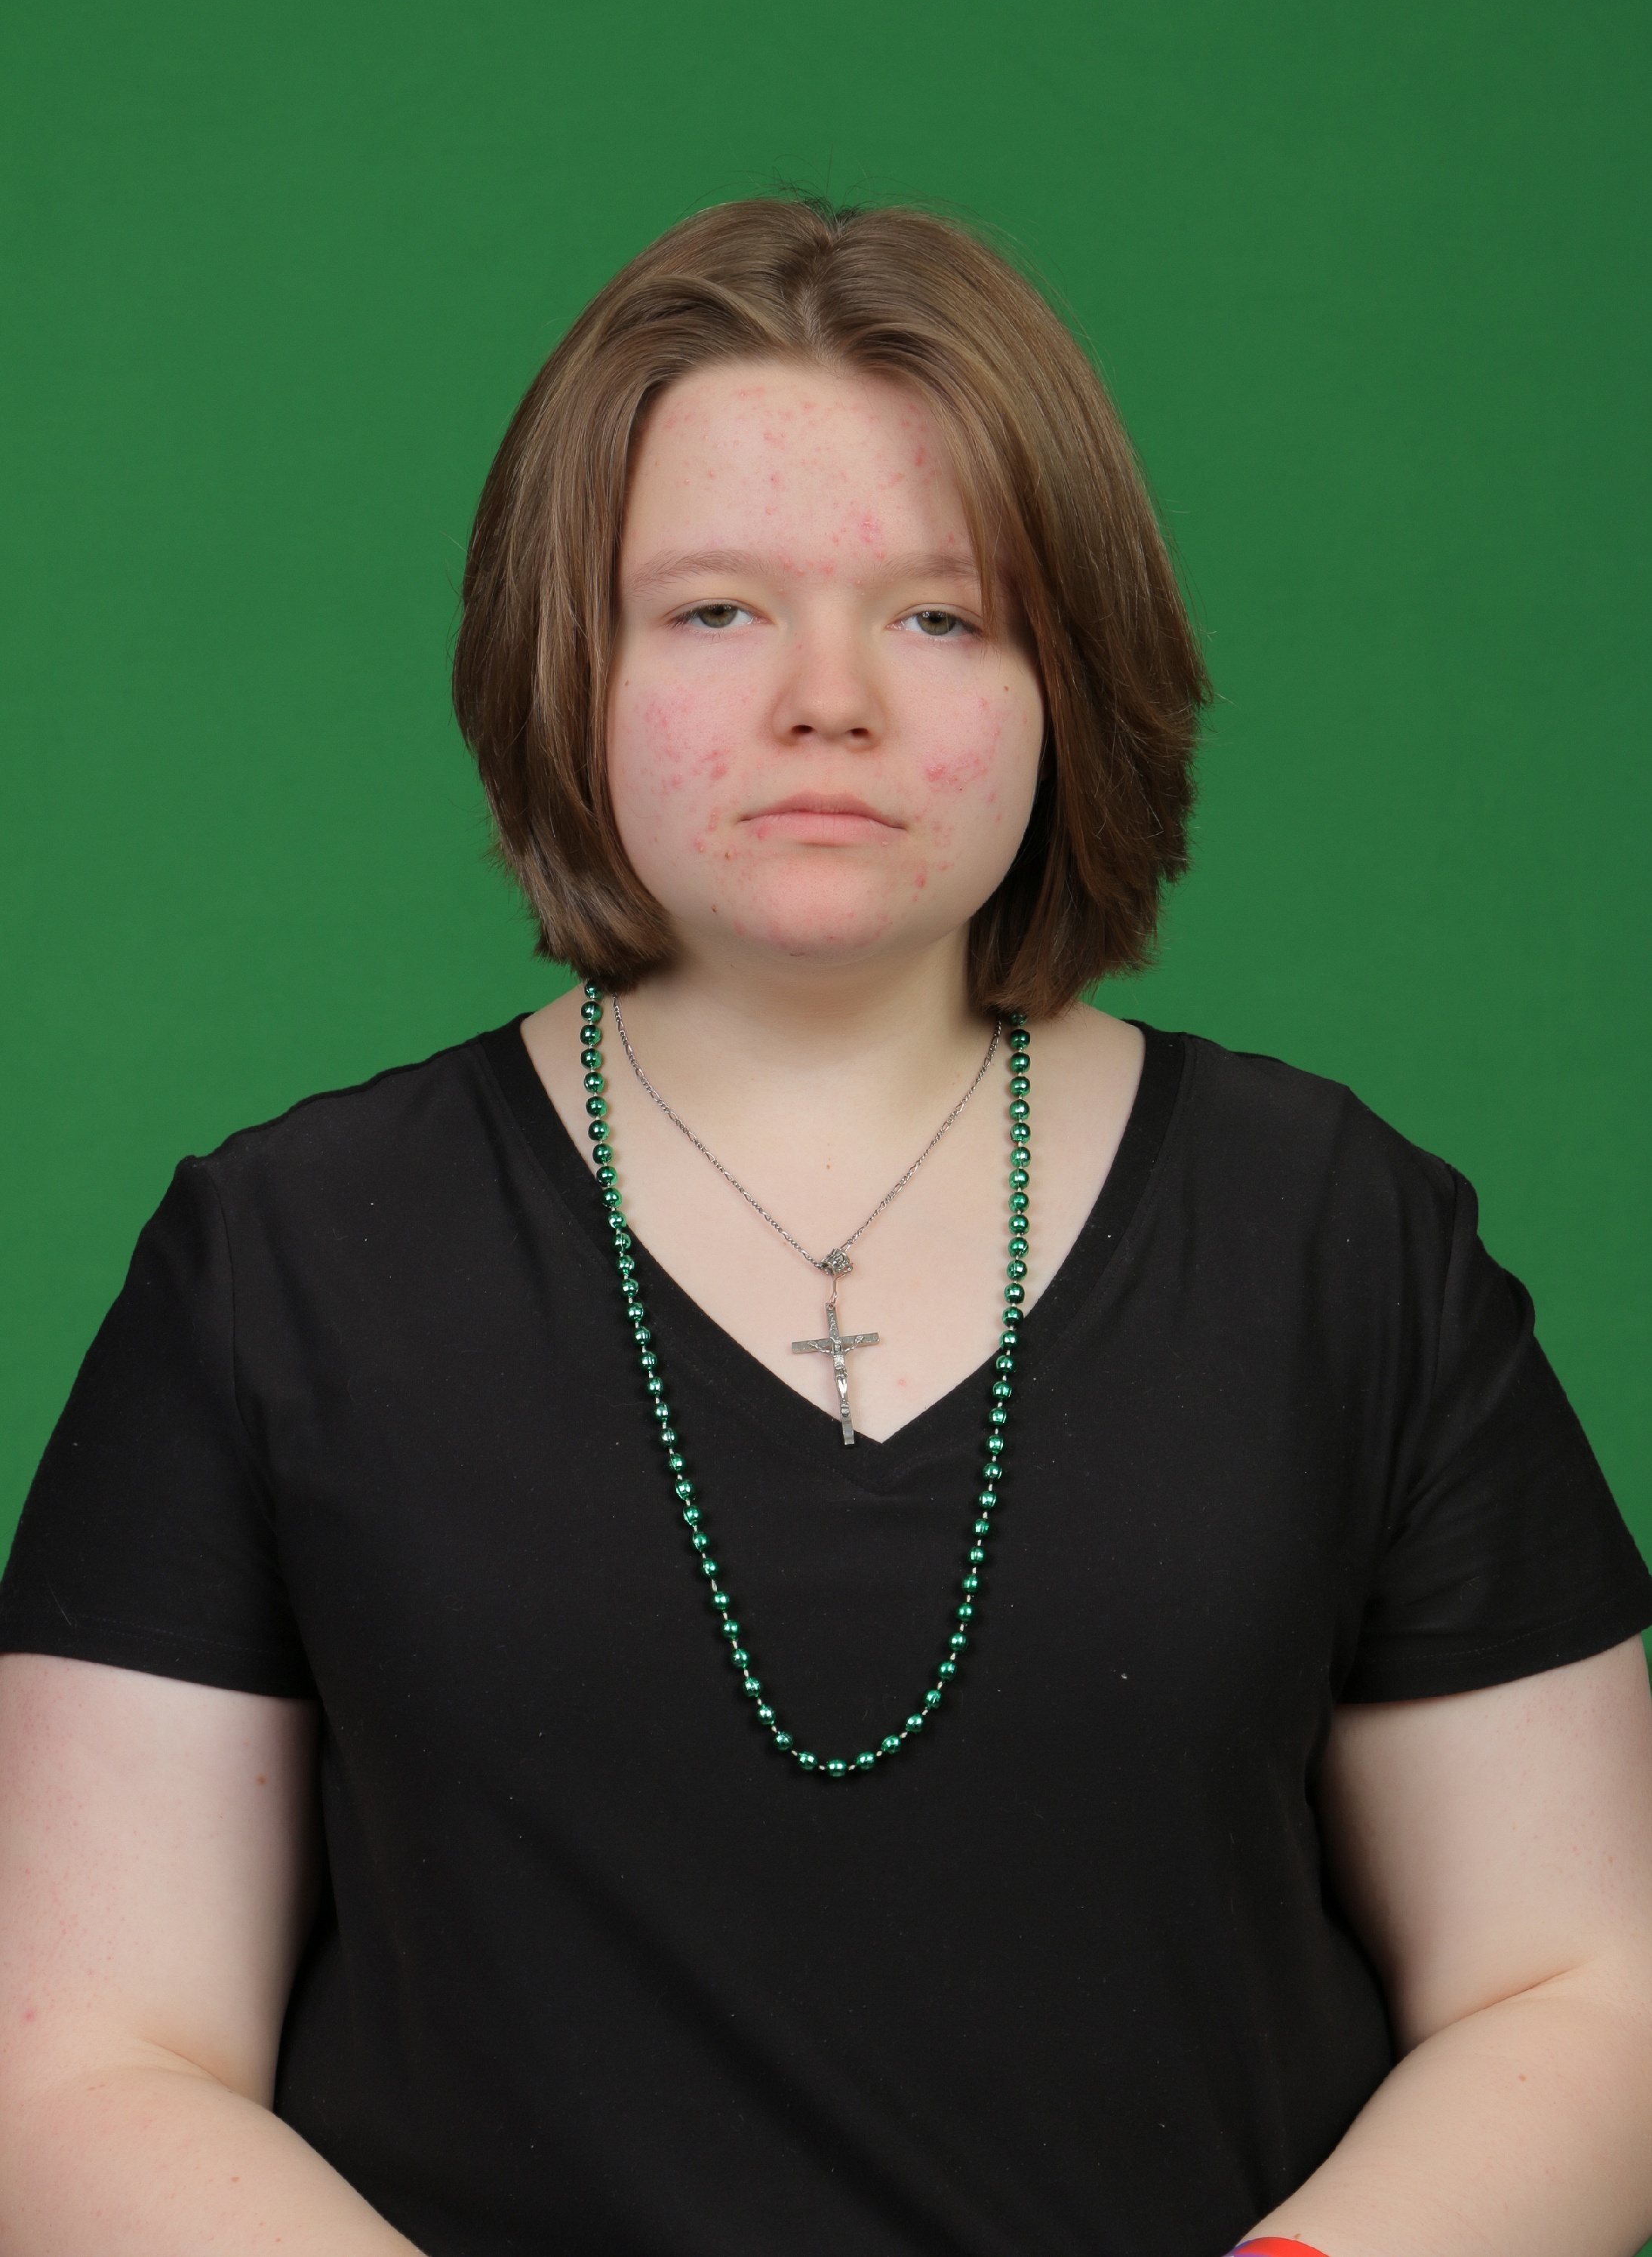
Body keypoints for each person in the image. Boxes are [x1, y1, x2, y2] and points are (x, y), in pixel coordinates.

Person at [0, 198, 1648, 2257]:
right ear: (565, 662)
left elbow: (1579, 1989)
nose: (829, 698)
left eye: (942, 616)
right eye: (714, 610)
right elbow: (83, 2065)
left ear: (1072, 677)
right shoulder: (277, 1265)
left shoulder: (1343, 1244)